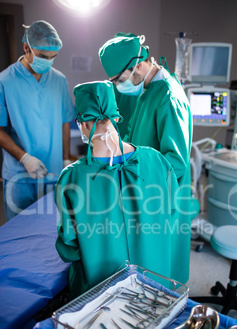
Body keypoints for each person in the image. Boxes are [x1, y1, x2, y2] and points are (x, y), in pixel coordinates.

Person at [55, 80, 181, 300]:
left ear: (83, 123)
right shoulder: (157, 160)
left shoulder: (72, 178)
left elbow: (69, 247)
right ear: (115, 117)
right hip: (155, 285)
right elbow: (172, 214)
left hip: (101, 293)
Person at [99, 34, 193, 283]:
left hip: (163, 195)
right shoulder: (147, 89)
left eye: (120, 79)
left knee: (161, 272)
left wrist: (133, 167)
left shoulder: (169, 98)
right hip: (147, 188)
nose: (120, 86)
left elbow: (176, 163)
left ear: (138, 65)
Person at [0, 20, 76, 220]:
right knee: (18, 235)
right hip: (19, 177)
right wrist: (24, 158)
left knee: (50, 234)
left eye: (53, 58)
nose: (48, 62)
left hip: (53, 173)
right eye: (43, 56)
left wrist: (66, 159)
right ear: (26, 47)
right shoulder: (5, 81)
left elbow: (65, 121)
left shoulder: (59, 80)